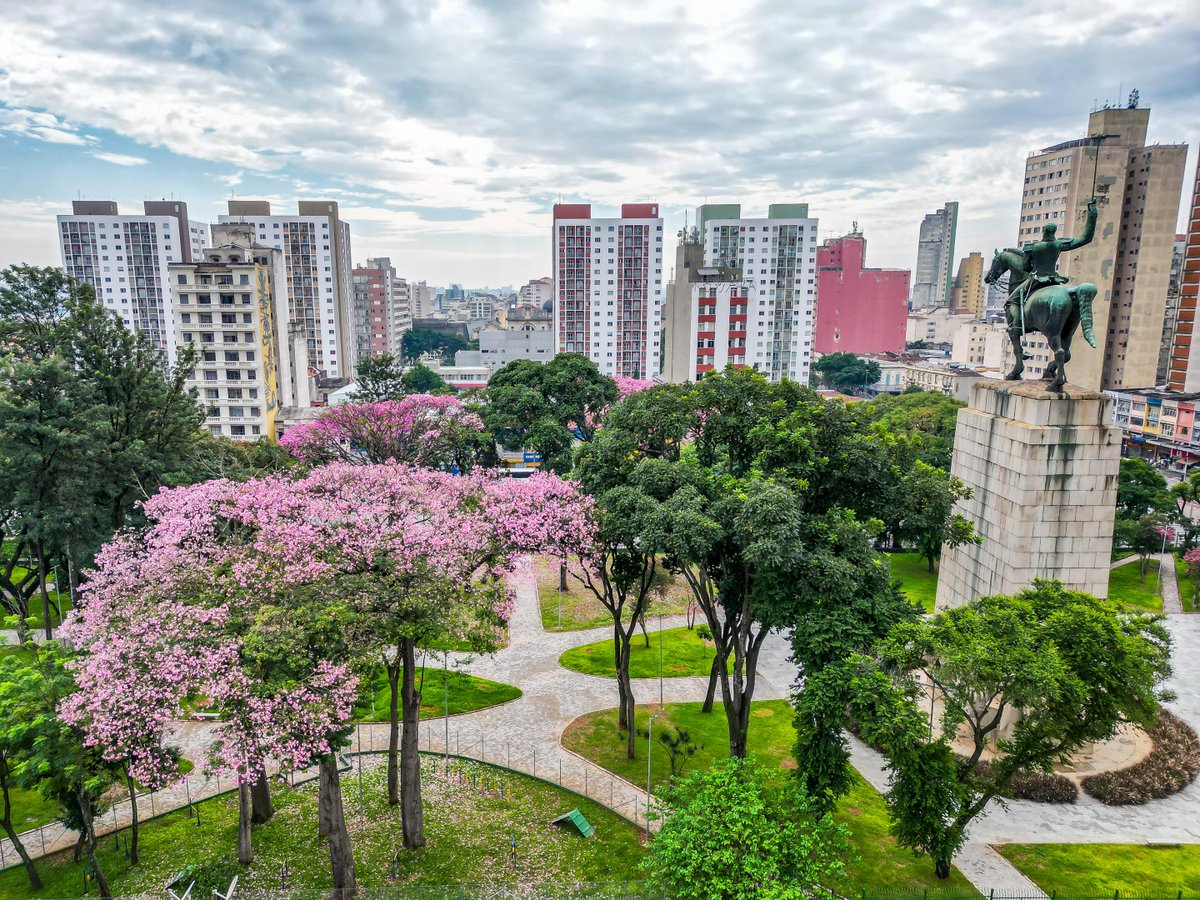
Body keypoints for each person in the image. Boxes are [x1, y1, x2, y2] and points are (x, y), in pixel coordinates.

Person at [1006, 198, 1099, 342]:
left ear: (1043, 231)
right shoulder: (1059, 244)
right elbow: (1085, 238)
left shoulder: (1033, 247)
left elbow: (1026, 267)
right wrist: (1092, 214)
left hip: (1036, 279)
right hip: (1054, 280)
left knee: (1012, 301)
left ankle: (1016, 325)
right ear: (1054, 232)